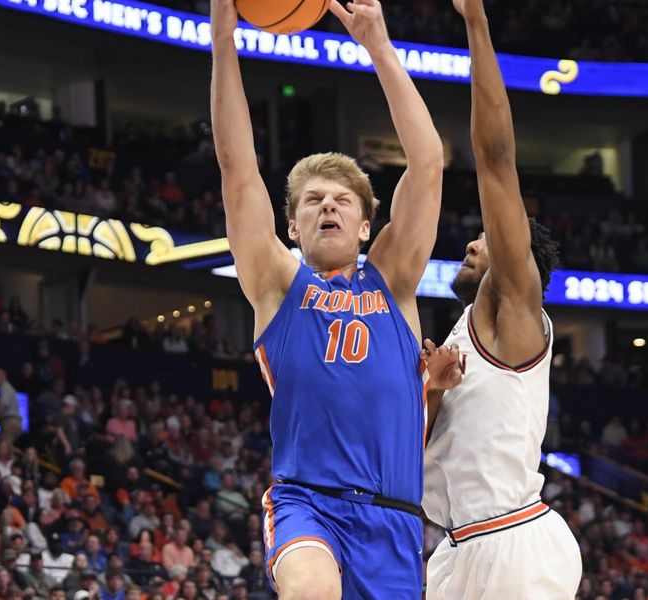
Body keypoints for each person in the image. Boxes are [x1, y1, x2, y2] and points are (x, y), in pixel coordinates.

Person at [210, 0, 443, 597]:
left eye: (342, 200)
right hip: (306, 503)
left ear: (368, 226)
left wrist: (378, 47)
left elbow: (428, 163)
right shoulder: (277, 285)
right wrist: (223, 34)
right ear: (293, 226)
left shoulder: (391, 281)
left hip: (394, 519)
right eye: (312, 200)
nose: (328, 206)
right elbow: (238, 169)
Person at [421, 0, 582, 598]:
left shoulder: (515, 305)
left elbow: (495, 159)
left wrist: (475, 22)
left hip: (511, 542)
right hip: (459, 547)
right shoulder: (465, 333)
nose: (472, 240)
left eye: (487, 238)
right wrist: (431, 394)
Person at [0, 369, 22, 445]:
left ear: (4, 376)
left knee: (4, 446)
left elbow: (3, 405)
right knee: (7, 446)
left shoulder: (5, 388)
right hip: (13, 422)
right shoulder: (6, 388)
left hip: (9, 422)